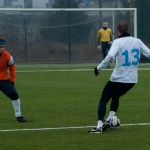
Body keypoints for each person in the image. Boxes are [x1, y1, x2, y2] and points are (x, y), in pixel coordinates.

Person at [89, 20, 150, 133]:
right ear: (128, 30)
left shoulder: (117, 42)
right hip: (132, 81)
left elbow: (109, 56)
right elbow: (149, 54)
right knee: (116, 96)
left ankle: (99, 126)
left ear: (117, 31)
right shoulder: (137, 41)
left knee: (103, 100)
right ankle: (110, 119)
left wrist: (98, 68)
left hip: (117, 79)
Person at [0, 38, 26, 122]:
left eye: (2, 47)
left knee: (14, 94)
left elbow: (12, 69)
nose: (1, 48)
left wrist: (12, 80)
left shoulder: (8, 56)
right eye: (0, 46)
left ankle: (18, 115)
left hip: (3, 80)